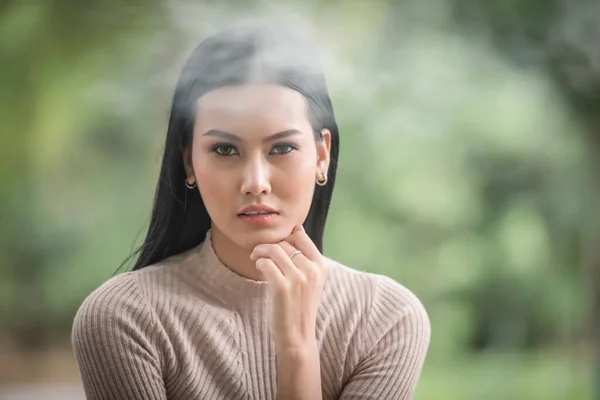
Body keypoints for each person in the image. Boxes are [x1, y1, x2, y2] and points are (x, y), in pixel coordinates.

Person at [71, 21, 431, 400]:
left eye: (281, 148)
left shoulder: (384, 318)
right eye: (225, 150)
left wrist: (298, 346)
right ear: (189, 161)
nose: (256, 182)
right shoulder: (124, 318)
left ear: (321, 155)